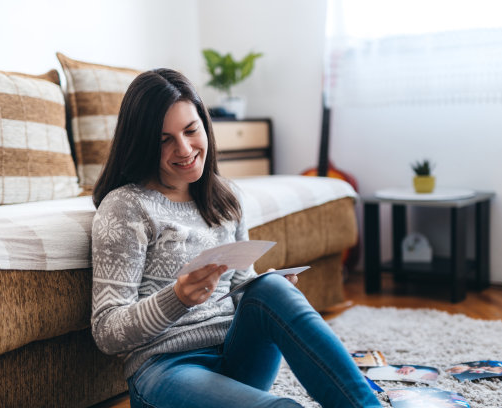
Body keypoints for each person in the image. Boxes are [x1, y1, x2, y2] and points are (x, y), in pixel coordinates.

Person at [90, 68, 382, 408]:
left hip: (238, 357)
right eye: (163, 139)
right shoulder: (125, 207)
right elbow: (106, 332)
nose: (184, 148)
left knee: (269, 287)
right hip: (166, 370)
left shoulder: (225, 197)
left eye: (190, 130)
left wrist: (272, 293)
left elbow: (241, 287)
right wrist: (178, 298)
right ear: (141, 143)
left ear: (205, 124)